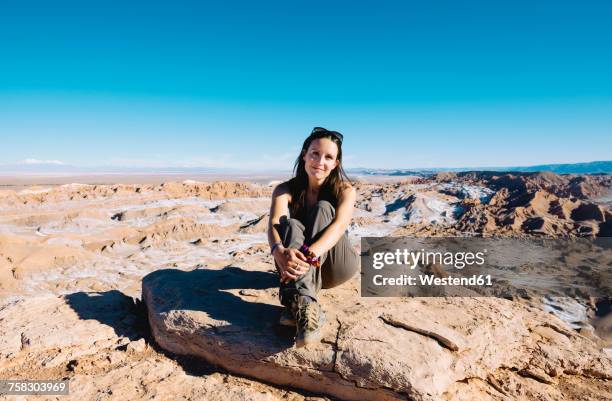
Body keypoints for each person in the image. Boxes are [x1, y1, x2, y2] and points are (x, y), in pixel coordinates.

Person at [267, 127, 360, 347]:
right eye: (315, 153)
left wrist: (309, 255)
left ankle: (296, 299)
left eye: (329, 157)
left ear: (336, 163)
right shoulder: (284, 189)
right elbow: (273, 224)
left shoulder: (345, 190)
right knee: (289, 224)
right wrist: (278, 251)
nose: (320, 161)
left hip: (335, 267)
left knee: (323, 208)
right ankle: (304, 306)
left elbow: (339, 226)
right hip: (305, 270)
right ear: (304, 154)